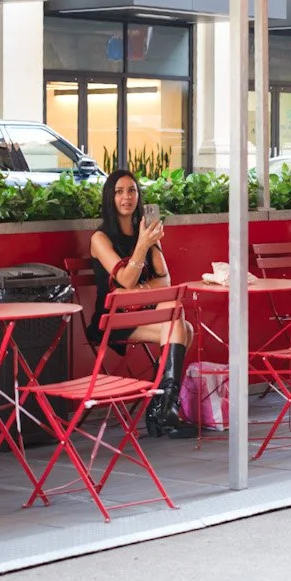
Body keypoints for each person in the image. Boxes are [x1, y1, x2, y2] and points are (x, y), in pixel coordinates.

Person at [89, 170, 200, 439]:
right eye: (119, 192)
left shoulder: (146, 232)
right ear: (110, 198)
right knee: (182, 326)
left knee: (180, 321)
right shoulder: (100, 239)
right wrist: (143, 245)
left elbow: (165, 280)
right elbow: (126, 280)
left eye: (132, 191)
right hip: (112, 321)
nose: (126, 197)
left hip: (142, 313)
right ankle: (162, 410)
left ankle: (162, 408)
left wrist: (141, 286)